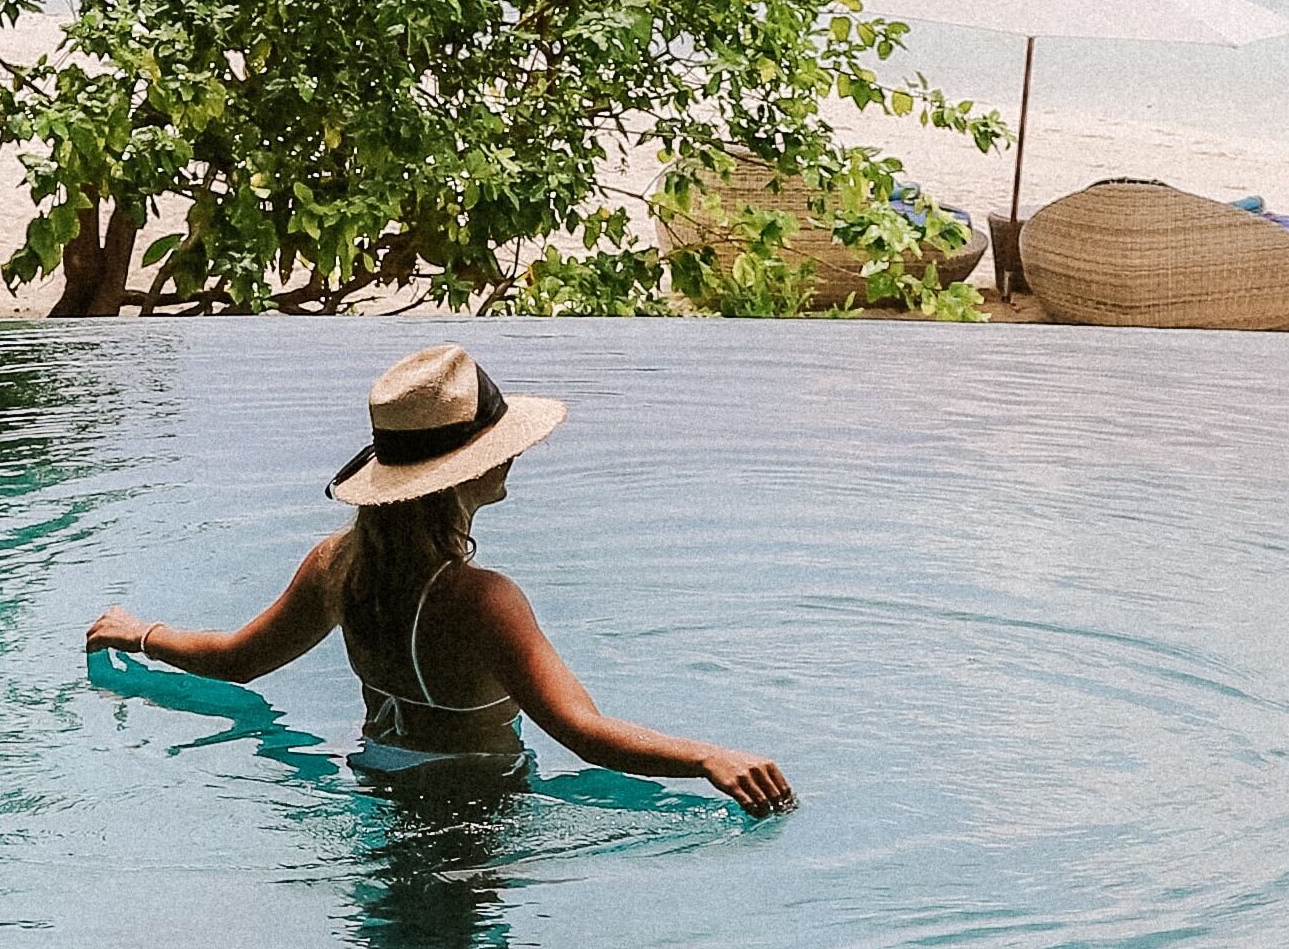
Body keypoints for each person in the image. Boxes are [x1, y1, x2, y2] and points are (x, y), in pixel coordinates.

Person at [86, 344, 795, 817]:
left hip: (375, 789)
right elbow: (584, 732)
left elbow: (236, 659)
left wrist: (141, 633)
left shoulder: (338, 564)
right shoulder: (485, 600)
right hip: (478, 813)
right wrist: (710, 755)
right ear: (464, 471)